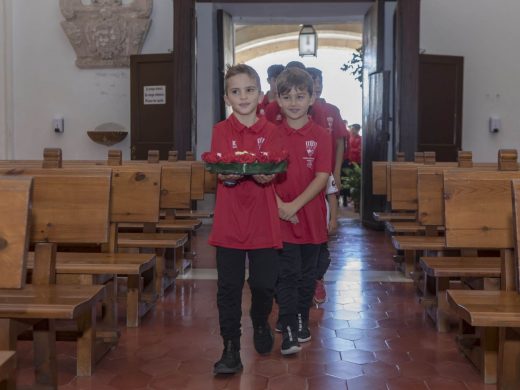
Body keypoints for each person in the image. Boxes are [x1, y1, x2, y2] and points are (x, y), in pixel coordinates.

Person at [209, 64, 283, 374]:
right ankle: (231, 349)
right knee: (228, 287)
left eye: (249, 90)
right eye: (235, 91)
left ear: (260, 94)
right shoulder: (220, 131)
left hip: (263, 221)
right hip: (229, 221)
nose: (243, 97)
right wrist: (226, 176)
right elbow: (223, 168)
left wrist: (268, 177)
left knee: (265, 284)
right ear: (227, 97)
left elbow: (275, 169)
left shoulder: (272, 132)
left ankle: (260, 317)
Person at [274, 67, 332, 355]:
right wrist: (280, 207)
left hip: (310, 217)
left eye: (300, 96)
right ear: (278, 100)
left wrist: (293, 206)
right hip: (280, 217)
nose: (294, 102)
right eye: (287, 97)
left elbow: (322, 177)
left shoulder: (321, 135)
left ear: (312, 98)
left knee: (308, 275)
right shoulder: (271, 135)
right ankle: (288, 324)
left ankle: (300, 318)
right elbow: (264, 175)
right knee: (287, 274)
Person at [306, 67, 348, 303]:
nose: (316, 85)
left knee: (320, 233)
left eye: (318, 81)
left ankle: (317, 278)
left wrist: (337, 171)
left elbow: (340, 143)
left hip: (325, 173)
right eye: (312, 81)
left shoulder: (329, 111)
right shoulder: (297, 110)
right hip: (304, 175)